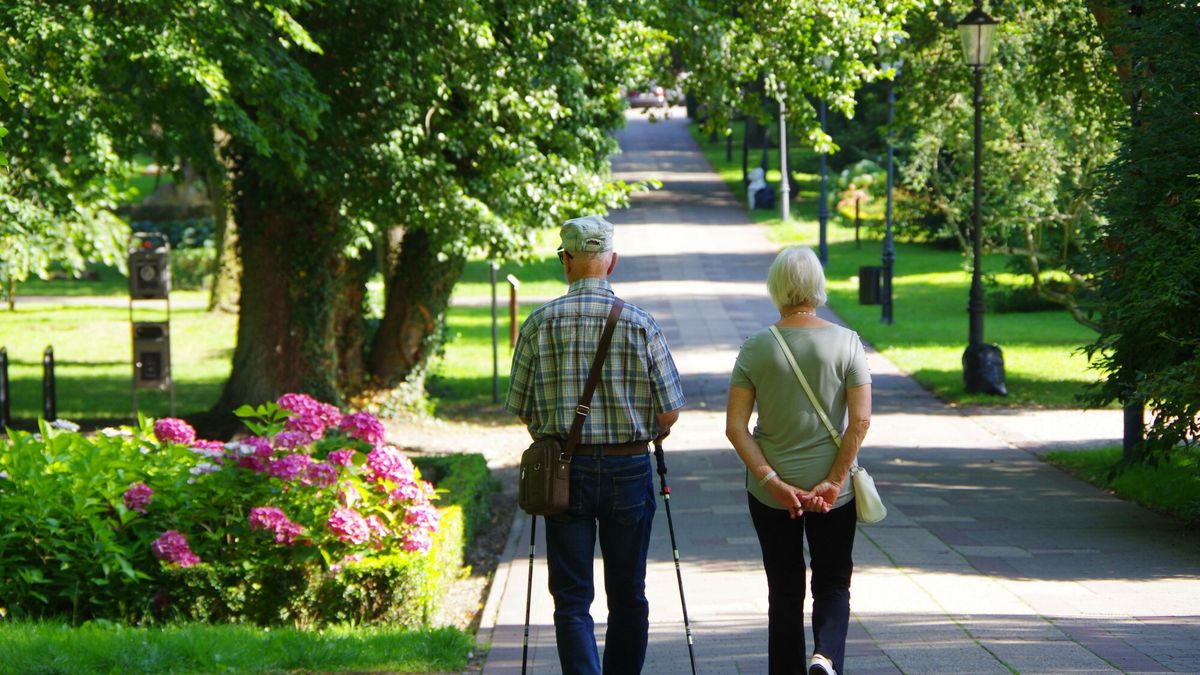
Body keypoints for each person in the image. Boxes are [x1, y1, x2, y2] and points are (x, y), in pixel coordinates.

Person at [506, 214, 686, 675]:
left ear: (565, 261)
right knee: (629, 592)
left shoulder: (538, 323)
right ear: (612, 262)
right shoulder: (641, 324)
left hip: (563, 473)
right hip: (628, 470)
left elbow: (522, 406)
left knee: (571, 596)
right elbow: (669, 411)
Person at [725, 246, 872, 675]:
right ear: (818, 286)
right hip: (834, 492)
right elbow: (860, 421)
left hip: (773, 492)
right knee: (833, 581)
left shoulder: (755, 347)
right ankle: (825, 656)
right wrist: (833, 480)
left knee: (784, 588)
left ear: (776, 288)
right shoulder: (847, 343)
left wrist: (771, 480)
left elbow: (735, 427)